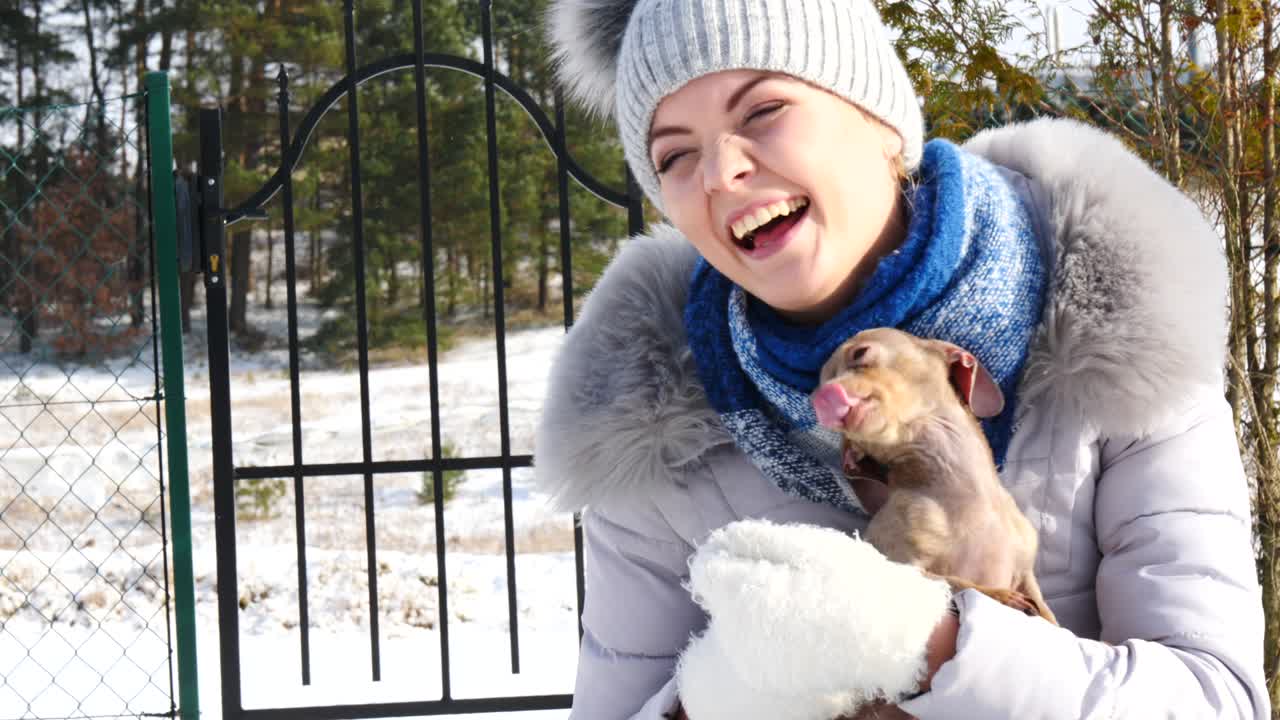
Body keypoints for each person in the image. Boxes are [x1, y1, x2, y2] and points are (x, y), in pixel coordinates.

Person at [532, 0, 1271, 717]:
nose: (720, 171)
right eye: (675, 154)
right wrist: (729, 688)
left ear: (880, 120)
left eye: (763, 111)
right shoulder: (652, 427)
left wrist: (929, 643)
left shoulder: (1117, 333)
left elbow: (1215, 700)